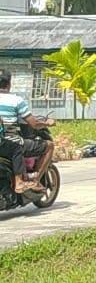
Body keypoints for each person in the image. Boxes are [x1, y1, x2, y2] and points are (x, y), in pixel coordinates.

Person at [0, 68, 55, 197]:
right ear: (9, 84)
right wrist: (48, 123)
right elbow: (34, 123)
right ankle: (33, 181)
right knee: (49, 146)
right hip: (8, 141)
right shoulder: (16, 101)